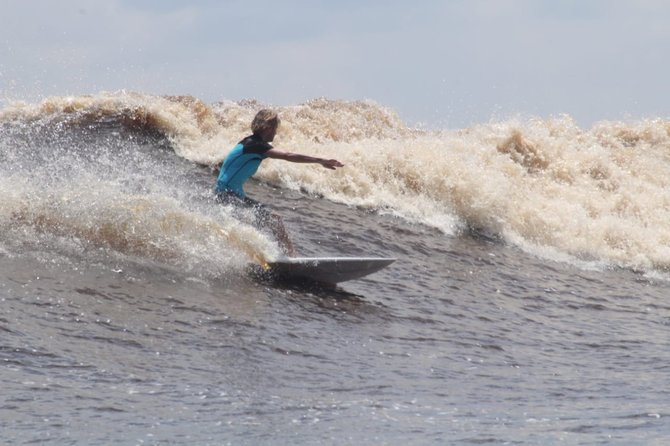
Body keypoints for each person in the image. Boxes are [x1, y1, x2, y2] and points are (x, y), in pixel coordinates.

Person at [215, 109, 344, 255]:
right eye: (275, 129)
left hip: (229, 194)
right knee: (274, 219)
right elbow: (287, 155)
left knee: (259, 221)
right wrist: (320, 160)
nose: (275, 133)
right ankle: (291, 258)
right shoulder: (254, 145)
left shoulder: (250, 142)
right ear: (268, 127)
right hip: (227, 195)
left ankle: (254, 254)